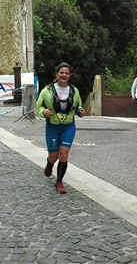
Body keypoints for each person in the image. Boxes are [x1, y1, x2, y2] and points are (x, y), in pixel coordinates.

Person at [36, 63, 85, 194]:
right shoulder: (47, 90)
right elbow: (38, 106)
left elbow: (79, 106)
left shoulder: (74, 91)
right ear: (57, 74)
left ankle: (59, 182)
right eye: (61, 72)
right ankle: (49, 164)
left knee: (63, 155)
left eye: (67, 73)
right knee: (54, 156)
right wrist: (43, 112)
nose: (64, 75)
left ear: (70, 75)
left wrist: (80, 111)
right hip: (52, 127)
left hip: (68, 127)